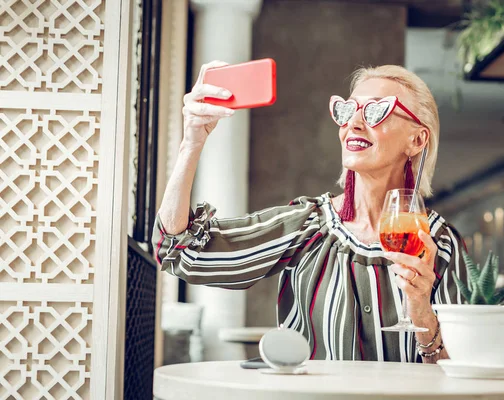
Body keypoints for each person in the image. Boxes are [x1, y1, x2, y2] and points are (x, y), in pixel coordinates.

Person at [153, 60, 467, 363]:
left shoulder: (441, 244)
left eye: (375, 111)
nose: (353, 124)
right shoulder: (308, 226)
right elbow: (179, 253)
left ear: (417, 139)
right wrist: (190, 144)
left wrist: (421, 309)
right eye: (347, 111)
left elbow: (461, 376)